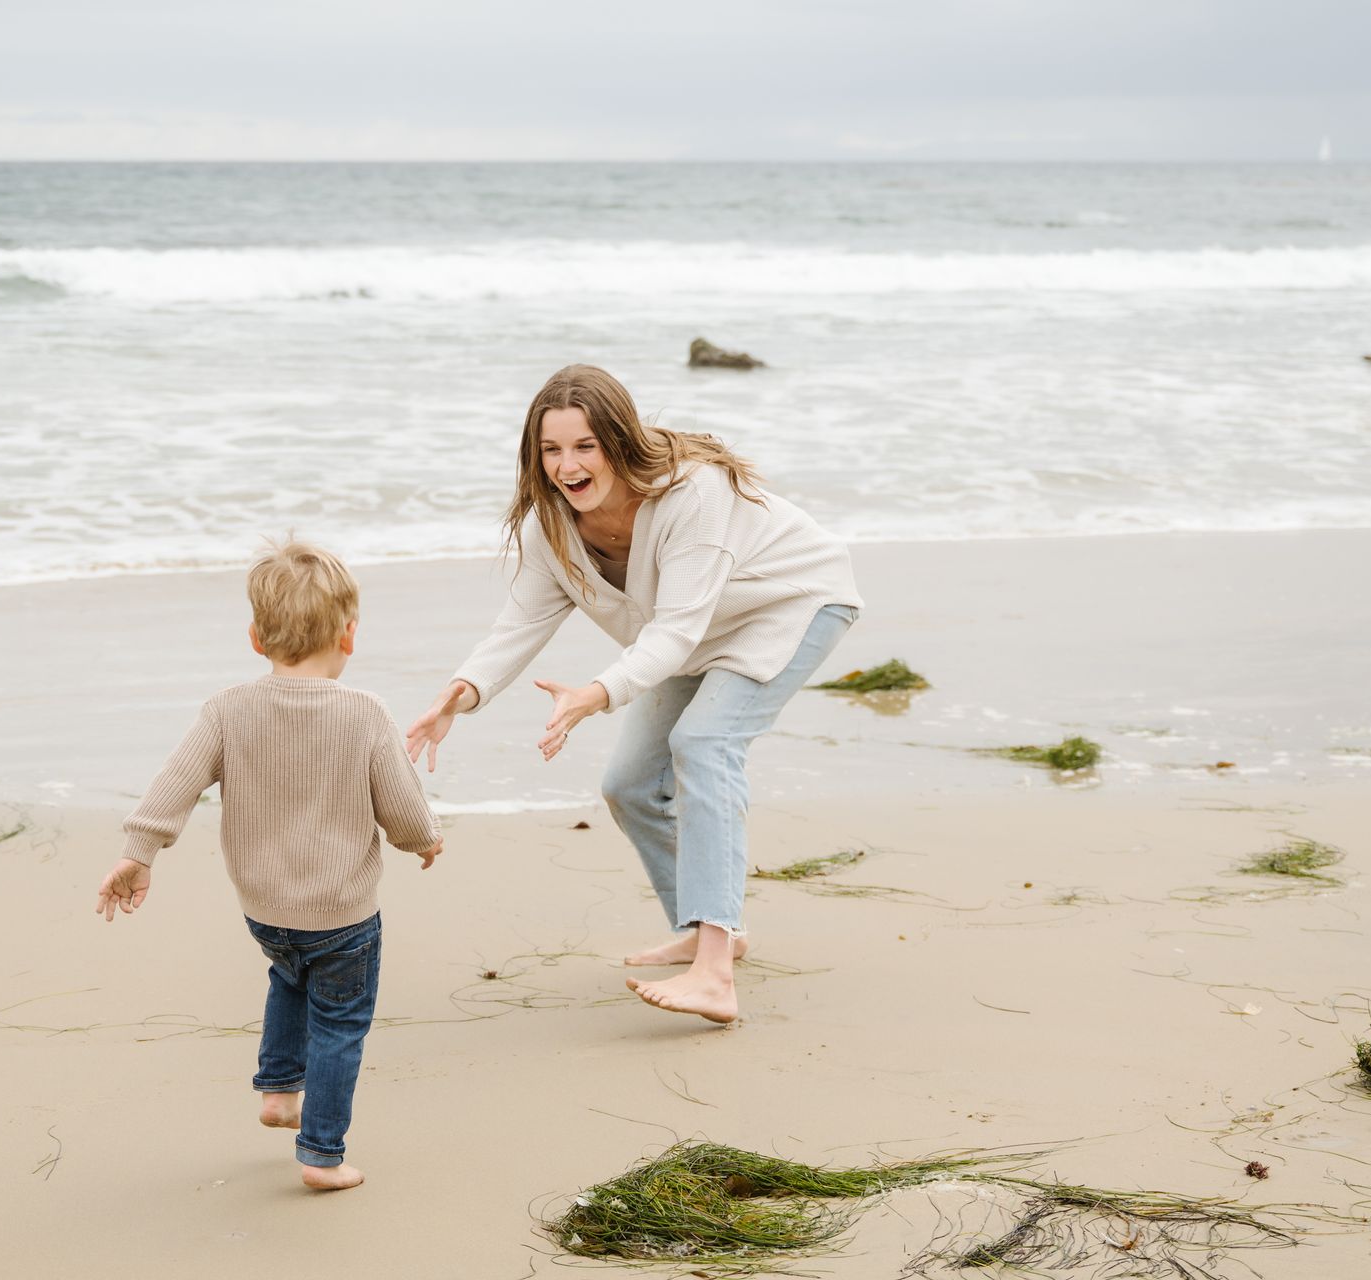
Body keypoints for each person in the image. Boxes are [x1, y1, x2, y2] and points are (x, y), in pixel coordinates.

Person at [405, 365, 860, 1026]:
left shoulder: (692, 494)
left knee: (704, 744)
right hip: (694, 631)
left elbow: (674, 631)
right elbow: (520, 625)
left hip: (789, 603)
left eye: (584, 446)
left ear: (618, 441)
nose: (566, 466)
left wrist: (596, 694)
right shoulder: (551, 525)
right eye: (550, 449)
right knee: (630, 784)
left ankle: (714, 973)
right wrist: (461, 693)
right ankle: (711, 929)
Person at [95, 539, 443, 1190]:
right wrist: (424, 839)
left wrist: (138, 853)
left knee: (288, 977)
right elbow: (401, 808)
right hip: (343, 916)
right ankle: (322, 1155)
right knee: (340, 1024)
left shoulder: (227, 710)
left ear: (256, 638)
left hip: (264, 910)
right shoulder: (364, 713)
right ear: (349, 635)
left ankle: (280, 1091)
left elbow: (174, 784)